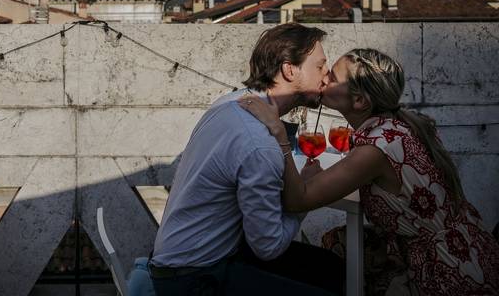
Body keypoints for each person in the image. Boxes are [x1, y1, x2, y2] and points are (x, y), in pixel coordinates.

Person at [239, 48, 499, 295]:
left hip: (446, 271)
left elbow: (297, 200)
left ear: (360, 101)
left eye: (333, 77)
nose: (323, 76)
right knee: (338, 241)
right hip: (473, 248)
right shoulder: (399, 125)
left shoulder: (375, 149)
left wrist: (279, 132)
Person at [145, 23, 345, 295]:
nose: (326, 76)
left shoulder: (230, 103)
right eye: (320, 66)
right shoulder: (259, 145)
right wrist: (304, 198)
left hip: (182, 260)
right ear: (289, 70)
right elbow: (269, 246)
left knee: (330, 267)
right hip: (196, 279)